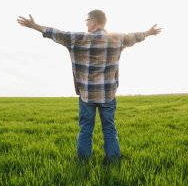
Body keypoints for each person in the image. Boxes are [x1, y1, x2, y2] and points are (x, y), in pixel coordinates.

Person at [17, 10, 162, 162]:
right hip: (108, 95)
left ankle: (84, 164)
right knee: (110, 130)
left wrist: (33, 26)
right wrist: (149, 32)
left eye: (87, 20)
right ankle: (113, 163)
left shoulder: (78, 39)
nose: (86, 23)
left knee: (85, 130)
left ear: (93, 21)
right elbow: (135, 36)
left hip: (87, 95)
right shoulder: (117, 38)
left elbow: (56, 33)